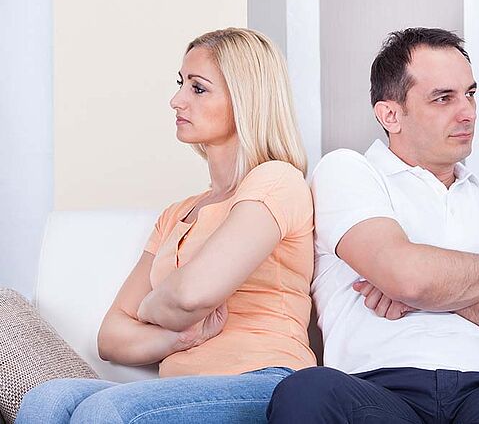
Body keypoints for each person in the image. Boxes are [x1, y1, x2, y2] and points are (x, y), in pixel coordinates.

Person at [267, 28, 479, 423]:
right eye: (443, 98)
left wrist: (428, 289)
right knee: (306, 391)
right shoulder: (348, 171)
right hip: (378, 391)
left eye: (470, 94)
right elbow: (407, 277)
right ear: (390, 114)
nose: (468, 113)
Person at [16, 27, 316, 424]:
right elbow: (111, 337)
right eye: (181, 84)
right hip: (175, 391)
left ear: (246, 99)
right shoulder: (177, 214)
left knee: (107, 410)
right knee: (48, 399)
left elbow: (192, 295)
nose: (177, 100)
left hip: (264, 380)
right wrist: (181, 336)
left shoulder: (277, 180)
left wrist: (148, 307)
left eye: (198, 88)